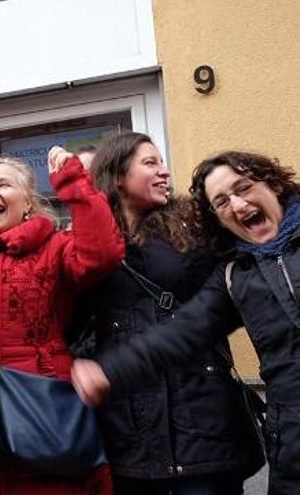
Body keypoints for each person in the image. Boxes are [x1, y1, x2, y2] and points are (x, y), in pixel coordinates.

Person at [71, 150, 300, 495]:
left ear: (274, 186)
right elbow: (183, 331)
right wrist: (108, 372)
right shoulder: (235, 275)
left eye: (244, 188)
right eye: (221, 202)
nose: (237, 206)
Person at [0, 149, 124, 495]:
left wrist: (72, 182)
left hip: (43, 405)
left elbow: (102, 254)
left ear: (27, 203)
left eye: (4, 184)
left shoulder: (54, 247)